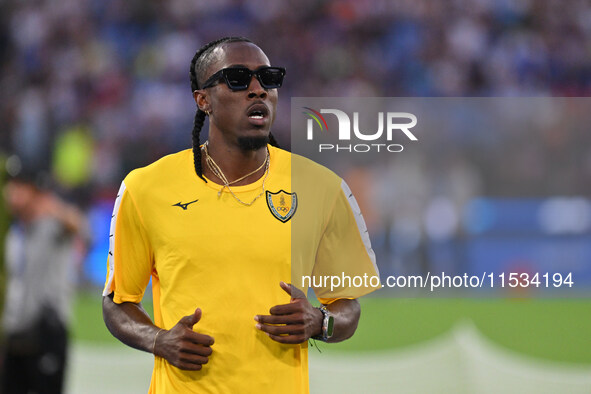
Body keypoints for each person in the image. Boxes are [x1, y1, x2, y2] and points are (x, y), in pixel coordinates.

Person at [102, 36, 380, 393]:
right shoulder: (146, 188)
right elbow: (117, 303)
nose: (257, 90)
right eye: (237, 79)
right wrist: (159, 340)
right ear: (203, 100)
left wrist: (321, 321)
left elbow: (346, 305)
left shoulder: (321, 188)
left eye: (268, 79)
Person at [1, 158, 88, 394]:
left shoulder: (53, 226)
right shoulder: (15, 231)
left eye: (19, 186)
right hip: (15, 333)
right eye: (10, 185)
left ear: (35, 190)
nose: (11, 192)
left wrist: (54, 207)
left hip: (47, 332)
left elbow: (84, 230)